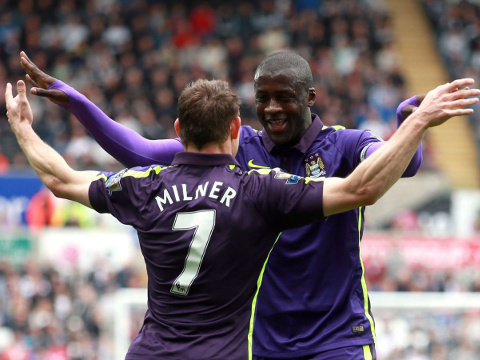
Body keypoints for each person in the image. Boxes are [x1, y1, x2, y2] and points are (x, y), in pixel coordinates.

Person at [7, 76, 478, 359]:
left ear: (177, 131)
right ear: (236, 128)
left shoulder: (144, 185)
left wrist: (23, 127)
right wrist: (417, 123)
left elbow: (62, 179)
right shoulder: (258, 188)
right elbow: (364, 188)